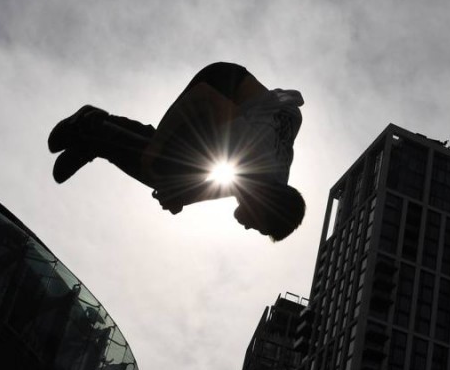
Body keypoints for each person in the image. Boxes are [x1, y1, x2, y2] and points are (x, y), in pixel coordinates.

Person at [48, 62, 305, 241]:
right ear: (263, 206)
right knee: (161, 165)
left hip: (252, 109)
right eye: (258, 227)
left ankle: (97, 136)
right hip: (221, 83)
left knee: (174, 175)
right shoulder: (250, 150)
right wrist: (157, 146)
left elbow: (231, 186)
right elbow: (202, 95)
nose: (250, 228)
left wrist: (185, 196)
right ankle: (92, 127)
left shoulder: (272, 181)